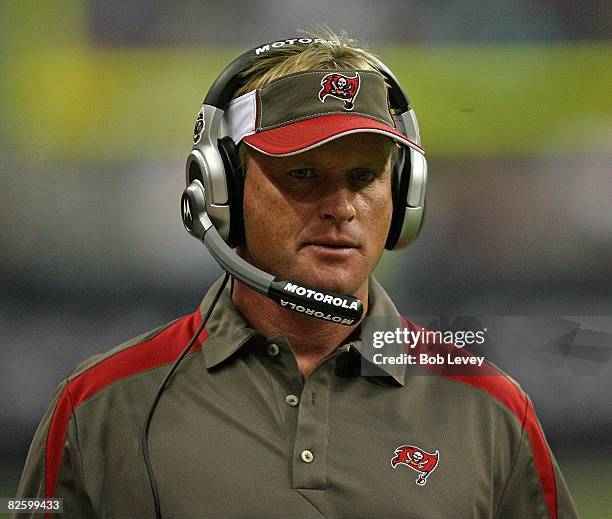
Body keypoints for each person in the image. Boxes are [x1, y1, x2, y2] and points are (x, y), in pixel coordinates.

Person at [14, 33, 578, 518]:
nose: (342, 206)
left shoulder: (493, 410)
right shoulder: (99, 405)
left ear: (405, 196)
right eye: (304, 174)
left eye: (364, 176)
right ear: (222, 192)